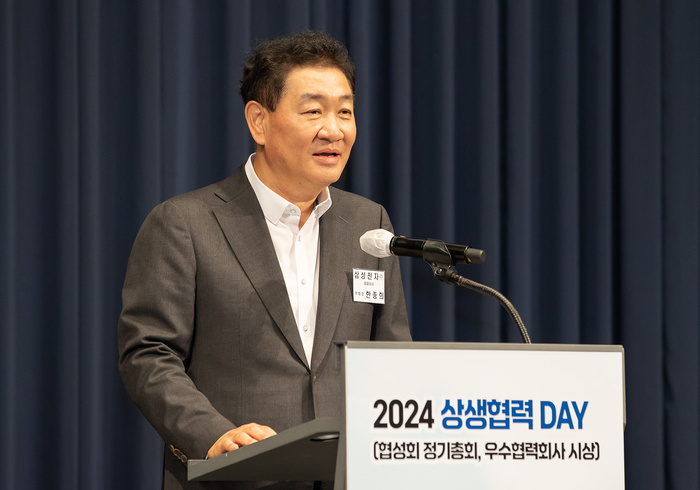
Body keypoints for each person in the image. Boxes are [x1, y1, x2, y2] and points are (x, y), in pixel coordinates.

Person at [118, 30, 411, 489]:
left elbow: (392, 356)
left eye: (345, 111)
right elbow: (148, 354)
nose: (334, 129)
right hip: (233, 476)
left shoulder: (368, 225)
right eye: (313, 111)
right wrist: (212, 435)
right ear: (259, 121)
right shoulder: (185, 224)